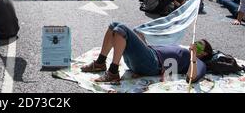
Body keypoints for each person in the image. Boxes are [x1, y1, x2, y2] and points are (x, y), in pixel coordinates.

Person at [81, 22, 212, 83]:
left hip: (152, 64)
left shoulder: (199, 62)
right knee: (113, 25)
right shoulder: (183, 49)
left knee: (121, 28)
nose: (195, 43)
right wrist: (142, 40)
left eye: (199, 44)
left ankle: (113, 72)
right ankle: (100, 63)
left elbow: (191, 78)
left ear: (204, 54)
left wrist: (194, 57)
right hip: (148, 55)